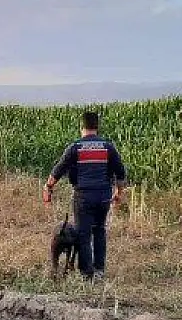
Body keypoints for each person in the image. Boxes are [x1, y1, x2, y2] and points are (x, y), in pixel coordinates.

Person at [43, 111, 128, 280]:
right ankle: (99, 270)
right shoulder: (108, 146)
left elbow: (57, 170)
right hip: (104, 196)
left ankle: (87, 273)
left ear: (82, 127)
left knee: (83, 233)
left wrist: (48, 188)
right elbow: (121, 173)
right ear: (97, 127)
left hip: (83, 196)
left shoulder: (76, 147)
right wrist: (118, 193)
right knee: (99, 231)